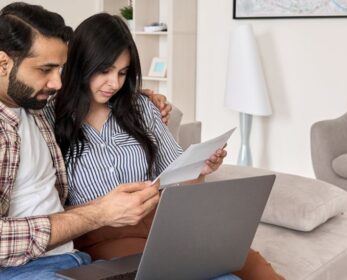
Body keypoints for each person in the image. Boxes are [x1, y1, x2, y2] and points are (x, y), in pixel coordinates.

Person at [0, 3, 167, 280]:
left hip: (69, 262)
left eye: (61, 68)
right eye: (46, 69)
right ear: (2, 63)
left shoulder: (35, 112)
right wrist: (99, 214)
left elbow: (48, 213)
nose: (57, 82)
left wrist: (139, 96)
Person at [50, 13, 284, 280]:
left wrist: (200, 167)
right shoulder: (50, 117)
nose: (114, 83)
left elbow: (178, 179)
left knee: (253, 264)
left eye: (122, 73)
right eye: (104, 71)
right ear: (81, 63)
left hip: (165, 221)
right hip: (104, 233)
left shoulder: (141, 108)